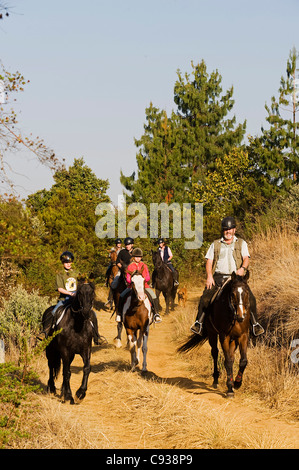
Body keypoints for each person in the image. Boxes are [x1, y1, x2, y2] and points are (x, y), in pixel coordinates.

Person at [190, 217, 264, 336]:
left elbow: (246, 258)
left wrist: (243, 269)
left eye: (230, 229)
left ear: (234, 230)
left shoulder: (241, 243)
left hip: (237, 278)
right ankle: (199, 324)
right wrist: (209, 276)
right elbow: (209, 261)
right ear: (223, 230)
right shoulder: (215, 244)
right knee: (205, 298)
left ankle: (255, 324)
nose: (228, 231)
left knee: (251, 298)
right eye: (225, 229)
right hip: (219, 277)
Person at [37, 251, 101, 344]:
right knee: (54, 312)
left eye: (70, 262)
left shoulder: (76, 273)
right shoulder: (60, 274)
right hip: (64, 299)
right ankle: (45, 332)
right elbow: (59, 288)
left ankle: (96, 336)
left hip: (77, 299)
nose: (68, 264)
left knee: (93, 314)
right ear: (63, 263)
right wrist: (70, 294)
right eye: (66, 262)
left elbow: (82, 285)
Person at [117, 247, 162, 323]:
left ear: (141, 257)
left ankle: (156, 314)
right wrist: (131, 280)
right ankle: (119, 314)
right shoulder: (130, 266)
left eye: (139, 257)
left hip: (144, 286)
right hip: (132, 286)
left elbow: (147, 276)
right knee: (122, 296)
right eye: (136, 257)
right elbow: (128, 277)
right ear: (133, 257)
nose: (138, 258)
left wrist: (144, 279)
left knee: (153, 296)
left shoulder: (144, 265)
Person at [104, 238, 122, 307]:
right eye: (118, 243)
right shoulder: (113, 249)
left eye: (119, 243)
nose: (119, 244)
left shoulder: (122, 249)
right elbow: (110, 256)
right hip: (113, 263)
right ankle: (106, 280)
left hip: (119, 263)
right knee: (108, 268)